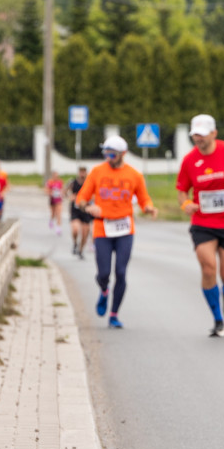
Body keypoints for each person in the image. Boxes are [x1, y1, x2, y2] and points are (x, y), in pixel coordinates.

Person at [176, 114, 224, 338]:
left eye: (202, 135)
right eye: (195, 135)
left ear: (213, 133)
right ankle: (218, 319)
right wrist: (187, 204)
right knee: (208, 267)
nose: (198, 139)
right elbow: (182, 190)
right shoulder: (189, 160)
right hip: (203, 223)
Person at [75, 136, 158, 329]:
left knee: (121, 272)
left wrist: (149, 208)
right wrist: (88, 207)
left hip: (124, 229)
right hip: (103, 228)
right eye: (105, 153)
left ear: (123, 154)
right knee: (103, 273)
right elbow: (81, 199)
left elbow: (144, 199)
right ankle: (104, 290)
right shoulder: (97, 172)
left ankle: (114, 314)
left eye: (111, 153)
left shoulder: (134, 175)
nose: (108, 157)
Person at [67, 166, 92, 259]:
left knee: (85, 233)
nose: (82, 174)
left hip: (86, 210)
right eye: (80, 172)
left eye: (83, 172)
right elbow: (65, 192)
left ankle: (81, 250)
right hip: (75, 210)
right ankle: (74, 243)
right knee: (75, 229)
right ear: (78, 173)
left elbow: (95, 194)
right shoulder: (73, 182)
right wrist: (71, 196)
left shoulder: (89, 183)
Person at [46, 170, 65, 235]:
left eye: (57, 176)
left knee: (58, 213)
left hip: (59, 200)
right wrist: (51, 193)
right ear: (52, 176)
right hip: (52, 200)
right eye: (55, 176)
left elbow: (62, 189)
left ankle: (58, 228)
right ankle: (51, 220)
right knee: (53, 213)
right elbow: (47, 191)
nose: (56, 177)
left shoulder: (60, 182)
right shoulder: (50, 182)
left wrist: (61, 193)